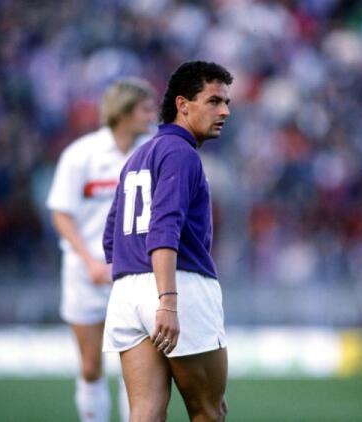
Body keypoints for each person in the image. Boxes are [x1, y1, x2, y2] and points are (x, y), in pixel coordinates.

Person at [103, 61, 232, 421]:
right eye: (214, 101)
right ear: (182, 105)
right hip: (177, 286)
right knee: (209, 411)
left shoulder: (137, 156)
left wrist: (138, 291)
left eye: (226, 102)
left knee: (145, 412)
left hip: (127, 293)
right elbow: (164, 228)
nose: (224, 111)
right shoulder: (181, 153)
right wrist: (168, 301)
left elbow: (110, 237)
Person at [46, 77, 157, 422]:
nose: (153, 115)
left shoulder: (154, 151)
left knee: (137, 368)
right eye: (145, 109)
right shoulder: (81, 155)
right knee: (91, 366)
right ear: (123, 113)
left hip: (135, 274)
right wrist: (90, 261)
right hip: (86, 275)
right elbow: (61, 213)